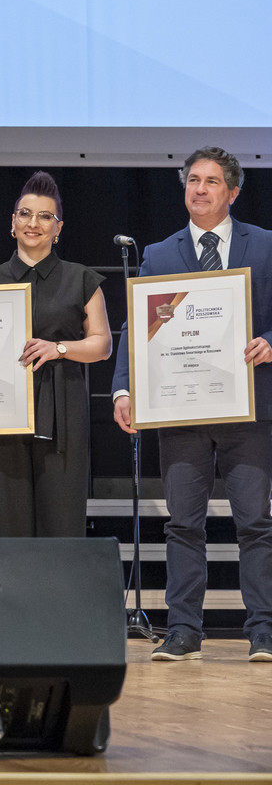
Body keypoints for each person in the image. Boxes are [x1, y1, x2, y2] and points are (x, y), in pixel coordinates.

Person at [113, 146, 272, 663]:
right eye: (193, 180)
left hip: (248, 408)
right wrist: (123, 389)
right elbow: (133, 326)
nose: (199, 189)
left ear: (233, 192)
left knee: (255, 523)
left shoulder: (265, 245)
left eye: (211, 181)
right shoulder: (159, 254)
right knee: (183, 525)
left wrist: (271, 342)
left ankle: (264, 631)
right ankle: (183, 630)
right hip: (180, 410)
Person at [0, 171, 110, 538]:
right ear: (12, 222)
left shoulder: (82, 279)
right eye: (25, 214)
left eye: (45, 216)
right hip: (0, 415)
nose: (33, 223)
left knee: (62, 523)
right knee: (4, 525)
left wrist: (59, 348)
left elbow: (102, 344)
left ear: (58, 228)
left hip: (63, 410)